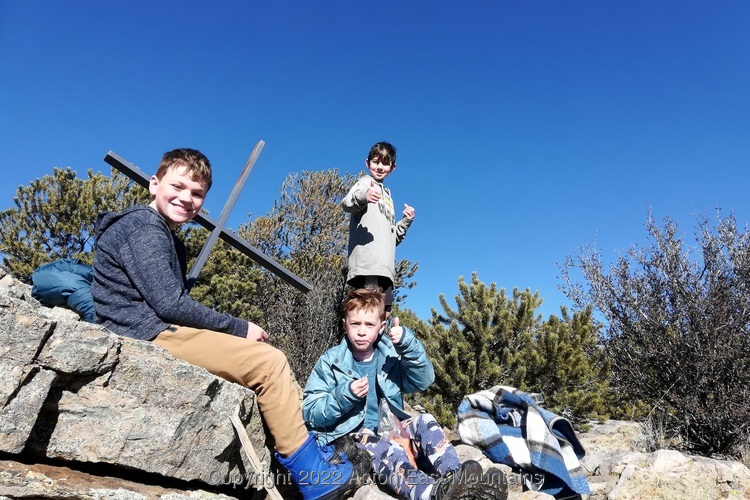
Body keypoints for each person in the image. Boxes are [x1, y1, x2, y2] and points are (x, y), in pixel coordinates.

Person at [91, 148, 355, 500]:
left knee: (263, 355)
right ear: (154, 184)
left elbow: (170, 301)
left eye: (197, 193)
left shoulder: (165, 235)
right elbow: (170, 305)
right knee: (269, 362)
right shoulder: (143, 227)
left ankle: (307, 449)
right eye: (178, 186)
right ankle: (314, 477)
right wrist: (238, 327)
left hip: (154, 327)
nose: (186, 198)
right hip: (144, 333)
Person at [303, 287, 507, 500]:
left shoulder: (390, 355)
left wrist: (408, 346)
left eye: (369, 324)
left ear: (381, 327)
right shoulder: (331, 361)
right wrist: (344, 395)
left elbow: (424, 379)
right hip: (355, 437)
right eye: (355, 324)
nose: (362, 331)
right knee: (387, 449)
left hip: (393, 426)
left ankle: (458, 483)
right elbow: (310, 412)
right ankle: (432, 493)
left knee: (425, 421)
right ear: (345, 325)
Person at [342, 141, 415, 316]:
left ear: (393, 167)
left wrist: (406, 221)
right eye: (376, 162)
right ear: (367, 163)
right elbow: (347, 203)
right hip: (369, 265)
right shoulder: (366, 183)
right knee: (368, 315)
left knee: (384, 315)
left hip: (385, 269)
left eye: (385, 163)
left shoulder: (388, 197)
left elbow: (392, 239)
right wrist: (364, 197)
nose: (380, 167)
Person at [32, 258, 96, 322]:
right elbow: (94, 274)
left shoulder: (58, 266)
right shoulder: (72, 270)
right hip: (69, 285)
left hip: (39, 289)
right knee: (94, 308)